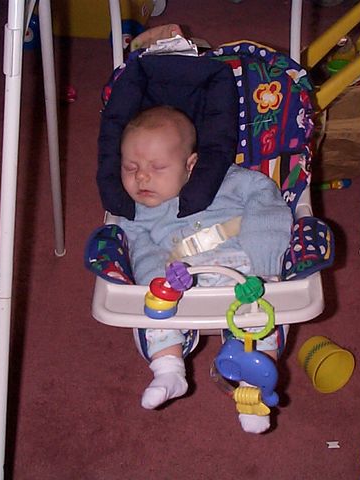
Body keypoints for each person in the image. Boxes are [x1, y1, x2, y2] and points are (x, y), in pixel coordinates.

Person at [117, 105, 293, 433]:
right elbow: (142, 251)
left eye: (157, 167)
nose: (142, 177)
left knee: (262, 317)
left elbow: (267, 201)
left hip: (242, 269)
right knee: (152, 312)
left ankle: (253, 390)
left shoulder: (231, 181)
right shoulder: (136, 213)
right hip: (181, 281)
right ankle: (169, 370)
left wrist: (265, 264)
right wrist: (159, 282)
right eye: (131, 167)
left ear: (191, 165)